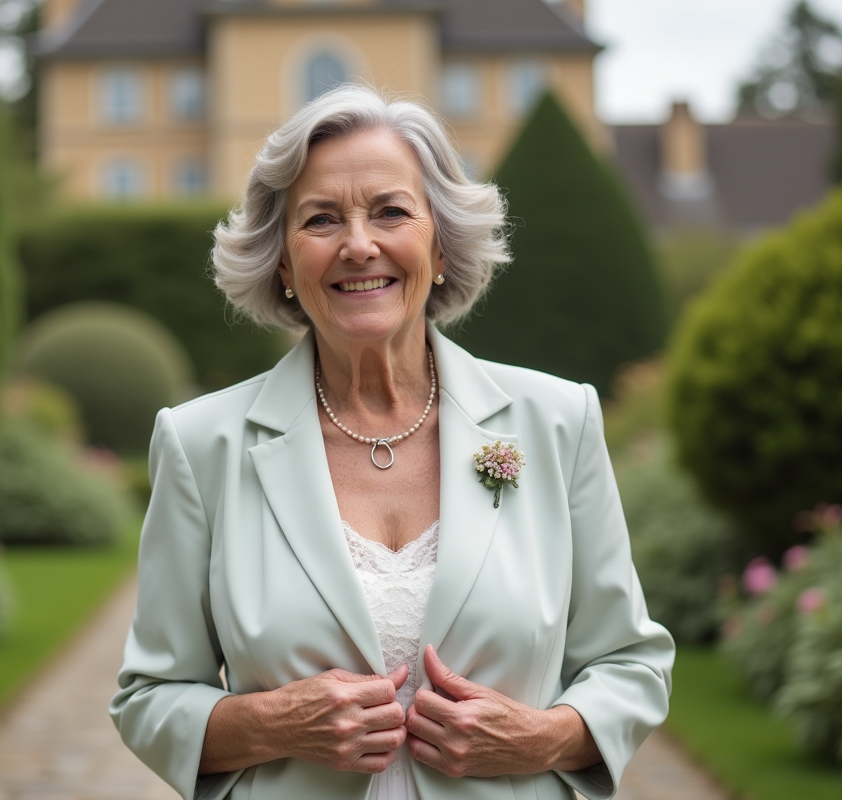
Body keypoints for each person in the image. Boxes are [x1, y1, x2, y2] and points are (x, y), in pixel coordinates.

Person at [110, 84, 674, 800]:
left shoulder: (558, 422)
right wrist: (274, 724)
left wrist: (545, 737)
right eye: (320, 219)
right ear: (283, 263)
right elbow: (149, 697)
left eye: (390, 212)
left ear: (438, 242)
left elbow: (631, 662)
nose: (357, 244)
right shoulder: (199, 444)